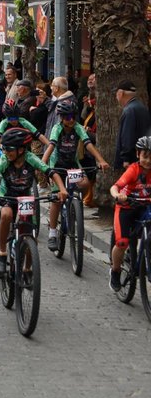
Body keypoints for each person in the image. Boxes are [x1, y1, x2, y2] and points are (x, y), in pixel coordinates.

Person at [0, 128, 67, 278]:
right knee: (6, 214)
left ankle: (27, 268)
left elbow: (51, 172)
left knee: (30, 236)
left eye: (9, 149)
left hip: (26, 198)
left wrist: (62, 190)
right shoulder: (5, 160)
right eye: (4, 149)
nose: (5, 152)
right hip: (8, 196)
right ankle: (2, 253)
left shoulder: (30, 158)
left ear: (21, 150)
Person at [42, 99, 110, 251]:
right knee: (57, 200)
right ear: (61, 117)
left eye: (73, 116)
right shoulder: (57, 128)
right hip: (57, 165)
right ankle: (52, 233)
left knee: (85, 183)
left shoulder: (78, 127)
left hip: (72, 164)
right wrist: (43, 163)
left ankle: (74, 206)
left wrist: (101, 160)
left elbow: (88, 144)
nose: (71, 119)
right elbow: (51, 145)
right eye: (67, 117)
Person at [109, 136, 151, 291]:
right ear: (138, 154)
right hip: (126, 207)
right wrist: (117, 195)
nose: (148, 161)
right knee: (122, 242)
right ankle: (115, 271)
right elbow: (115, 187)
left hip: (145, 207)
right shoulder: (133, 170)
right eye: (145, 156)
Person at [114, 80, 151, 170]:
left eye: (116, 93)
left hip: (133, 160)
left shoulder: (129, 110)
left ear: (120, 93)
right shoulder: (142, 107)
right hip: (143, 156)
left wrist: (126, 158)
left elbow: (127, 136)